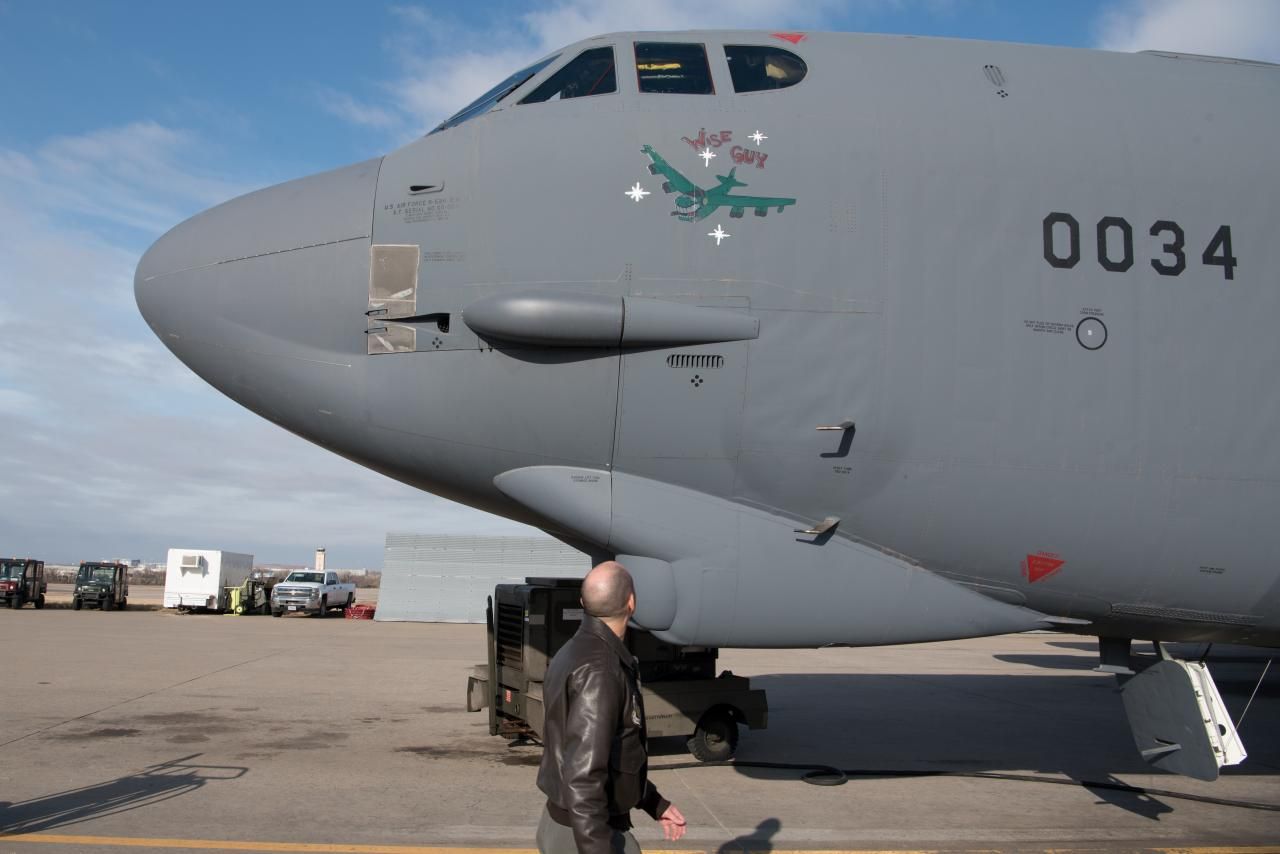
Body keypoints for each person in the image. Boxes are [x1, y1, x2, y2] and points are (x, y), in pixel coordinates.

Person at [536, 561, 687, 854]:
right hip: (587, 835)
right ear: (631, 602)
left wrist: (654, 802)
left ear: (583, 603)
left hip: (566, 825)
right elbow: (584, 776)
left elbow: (613, 753)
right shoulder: (601, 671)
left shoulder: (573, 651)